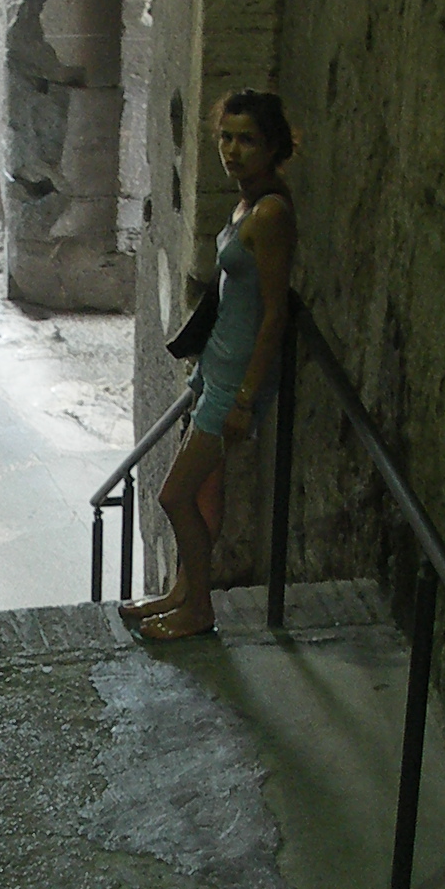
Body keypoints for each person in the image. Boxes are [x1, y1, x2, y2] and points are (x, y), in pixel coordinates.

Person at [127, 91, 296, 639]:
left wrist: (245, 397)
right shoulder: (247, 202)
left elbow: (275, 313)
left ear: (273, 146)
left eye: (247, 139)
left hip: (234, 383)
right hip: (217, 368)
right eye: (226, 136)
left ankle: (199, 608)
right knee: (204, 493)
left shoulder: (269, 214)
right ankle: (182, 591)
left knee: (173, 494)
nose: (232, 149)